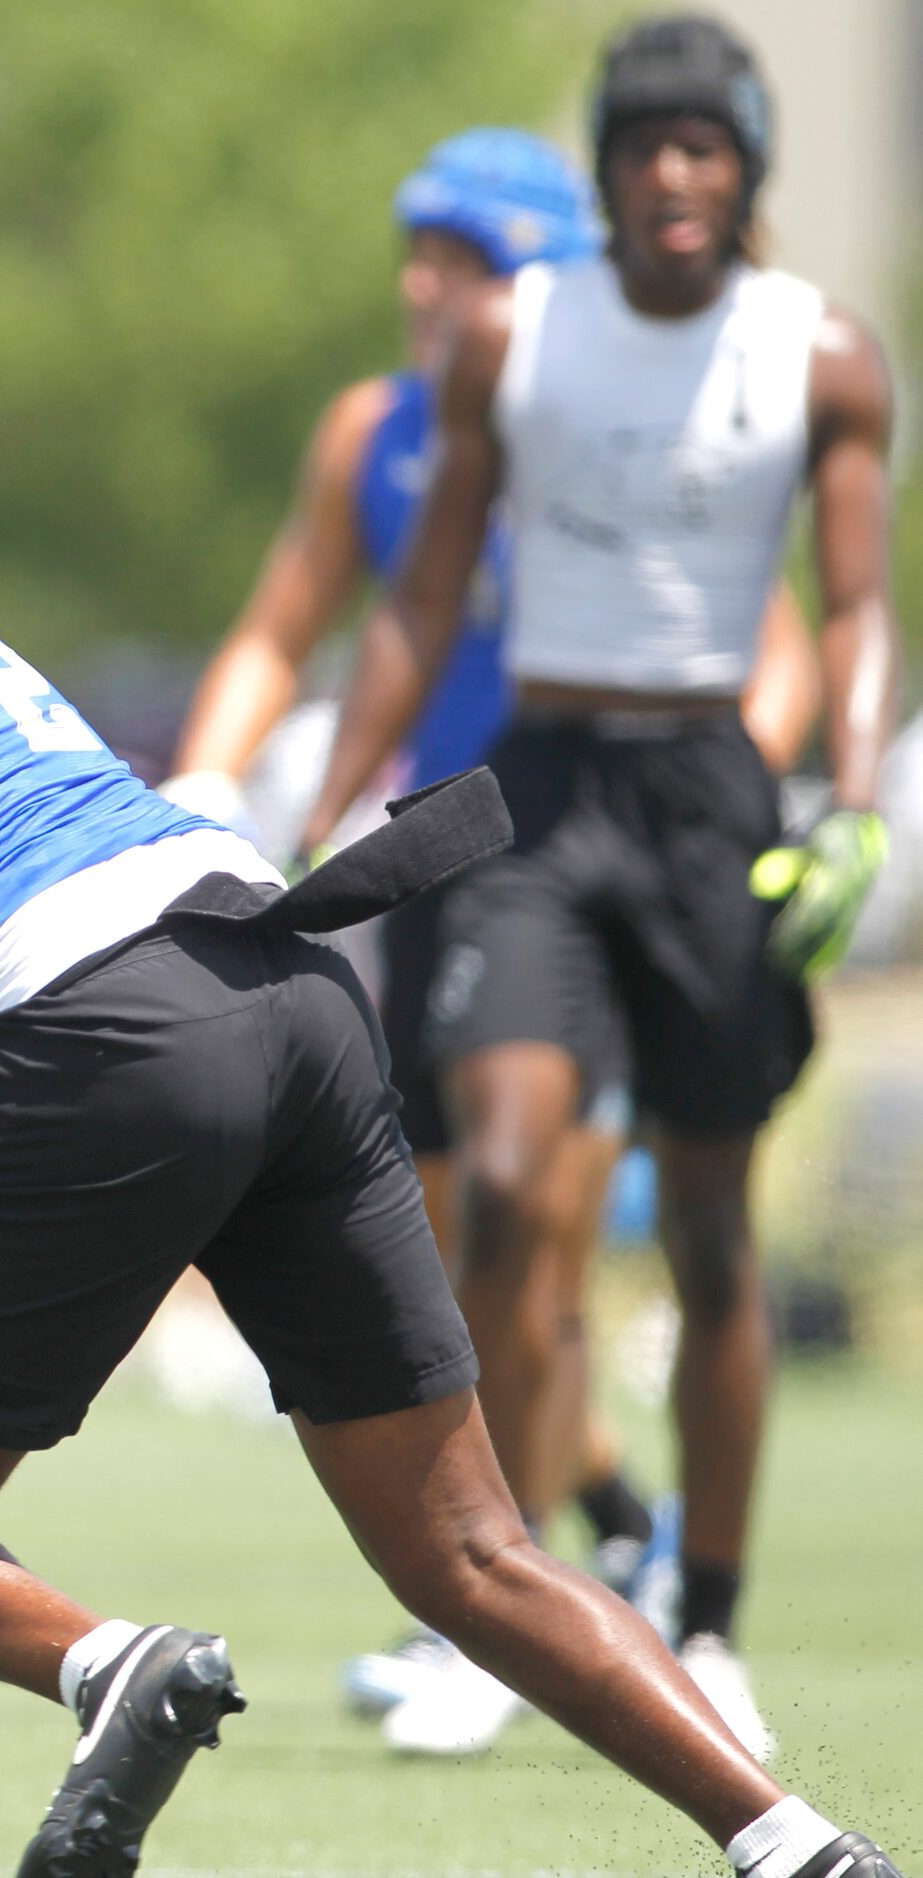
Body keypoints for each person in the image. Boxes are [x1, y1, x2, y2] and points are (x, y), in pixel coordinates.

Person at [0, 248, 899, 1878]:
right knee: (471, 1550)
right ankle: (799, 1849)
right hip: (279, 994)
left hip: (111, 1030)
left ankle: (110, 1667)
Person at [162, 126, 822, 1749]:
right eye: (417, 249)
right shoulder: (372, 433)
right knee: (464, 1257)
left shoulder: (617, 427)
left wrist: (741, 816)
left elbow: (781, 651)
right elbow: (285, 620)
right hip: (442, 871)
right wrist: (207, 773)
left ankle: (537, 1599)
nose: (420, 283)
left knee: (536, 1231)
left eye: (456, 253)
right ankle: (599, 1531)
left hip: (624, 874)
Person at [294, 15, 901, 1766]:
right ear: (608, 176)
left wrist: (850, 802)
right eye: (643, 147)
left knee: (709, 1227)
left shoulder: (823, 357)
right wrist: (332, 799)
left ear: (748, 170)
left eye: (705, 147)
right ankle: (503, 1599)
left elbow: (854, 610)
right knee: (493, 1182)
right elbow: (415, 602)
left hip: (714, 795)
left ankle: (708, 1621)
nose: (674, 177)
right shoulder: (513, 338)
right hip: (539, 795)